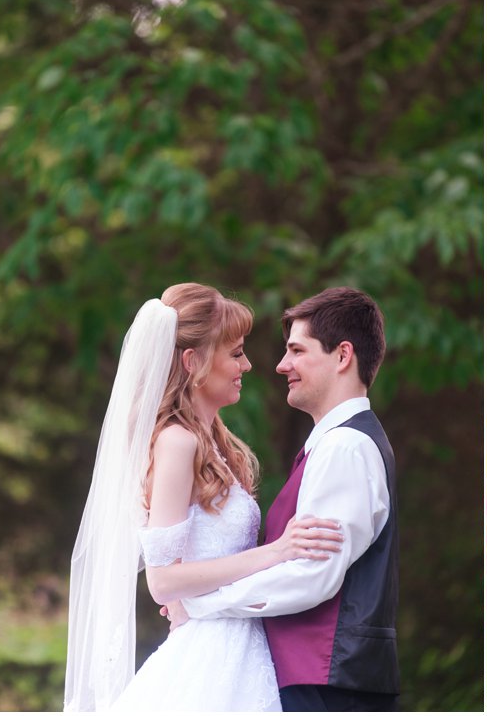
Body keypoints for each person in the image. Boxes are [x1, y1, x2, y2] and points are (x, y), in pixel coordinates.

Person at [65, 283, 344, 711]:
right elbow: (163, 581)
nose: (248, 365)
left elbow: (191, 571)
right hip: (209, 659)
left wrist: (198, 595)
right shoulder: (176, 442)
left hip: (238, 649)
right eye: (235, 353)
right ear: (193, 363)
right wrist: (278, 551)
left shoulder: (215, 442)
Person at [174, 286, 399, 712]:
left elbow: (310, 576)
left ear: (343, 356)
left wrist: (203, 604)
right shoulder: (331, 444)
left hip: (331, 687)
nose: (281, 365)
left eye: (297, 350)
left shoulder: (345, 448)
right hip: (322, 679)